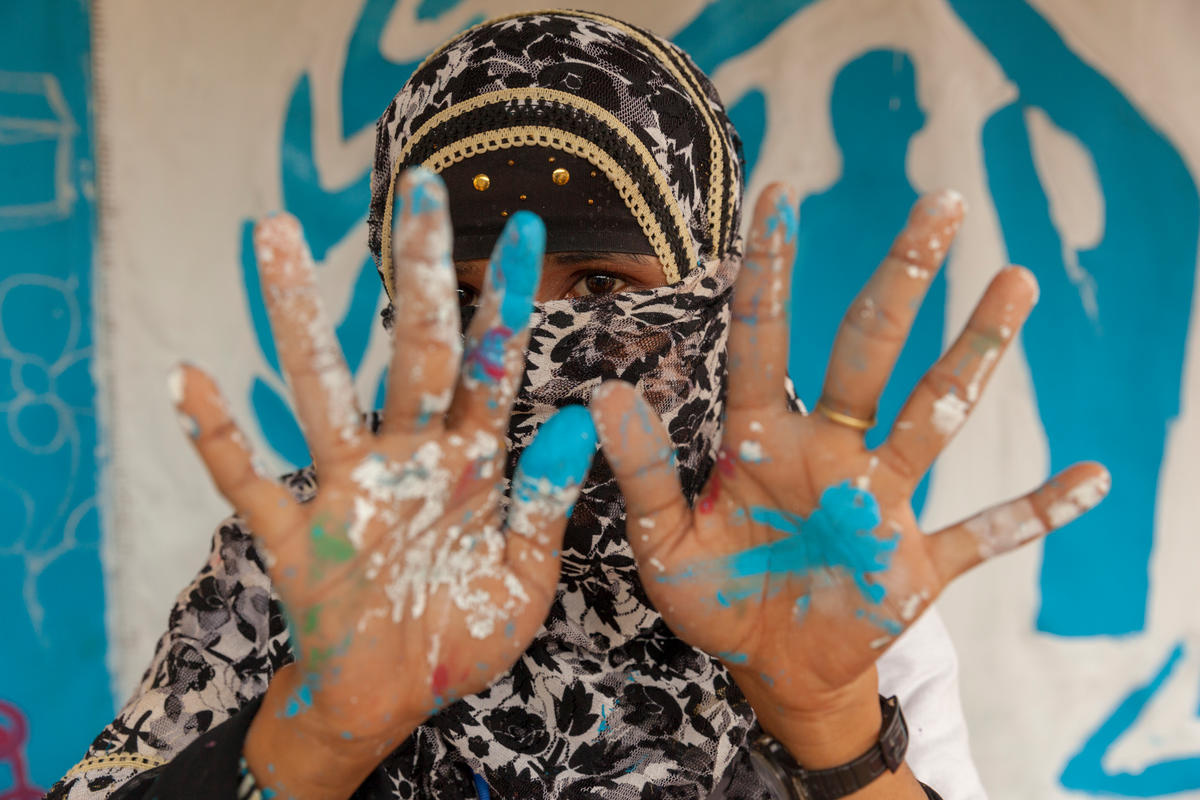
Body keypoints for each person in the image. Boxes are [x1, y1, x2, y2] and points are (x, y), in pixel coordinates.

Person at [46, 10, 1109, 800]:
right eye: (464, 300)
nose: (527, 347)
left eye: (600, 285)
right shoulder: (301, 562)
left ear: (707, 283)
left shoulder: (810, 567)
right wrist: (314, 740)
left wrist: (832, 725)